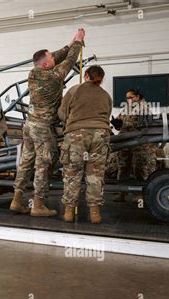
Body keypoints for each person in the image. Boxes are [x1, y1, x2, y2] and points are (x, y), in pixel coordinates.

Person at [10, 28, 85, 217]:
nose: (54, 58)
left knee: (26, 163)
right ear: (46, 65)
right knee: (43, 165)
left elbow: (58, 57)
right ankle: (38, 205)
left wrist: (70, 42)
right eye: (51, 58)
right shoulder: (54, 76)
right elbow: (69, 60)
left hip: (29, 126)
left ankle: (17, 200)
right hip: (43, 129)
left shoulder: (33, 73)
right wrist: (78, 42)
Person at [58, 65, 112, 224]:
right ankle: (95, 213)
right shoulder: (106, 96)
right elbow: (107, 117)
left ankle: (69, 212)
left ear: (86, 75)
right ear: (101, 78)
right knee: (95, 174)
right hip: (101, 135)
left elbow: (61, 113)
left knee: (72, 172)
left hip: (77, 135)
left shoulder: (74, 90)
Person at [112, 89, 157, 202]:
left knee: (140, 168)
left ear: (137, 97)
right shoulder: (126, 108)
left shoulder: (144, 108)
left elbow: (143, 126)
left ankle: (141, 194)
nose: (128, 100)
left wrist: (124, 124)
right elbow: (120, 121)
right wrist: (117, 124)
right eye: (127, 98)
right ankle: (121, 192)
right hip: (125, 142)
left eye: (131, 97)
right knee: (123, 167)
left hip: (140, 144)